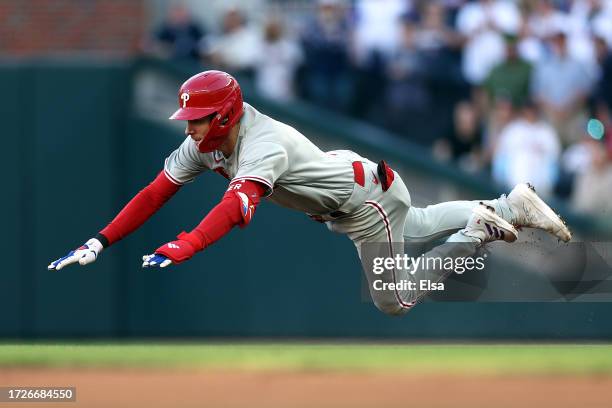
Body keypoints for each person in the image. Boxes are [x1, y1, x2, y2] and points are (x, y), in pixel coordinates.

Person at [48, 71, 571, 316]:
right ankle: (508, 206)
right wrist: (101, 240)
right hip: (351, 185)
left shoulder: (261, 146)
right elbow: (155, 191)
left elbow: (233, 208)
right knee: (417, 222)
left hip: (362, 202)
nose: (188, 127)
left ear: (224, 114)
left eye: (197, 118)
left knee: (395, 299)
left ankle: (481, 229)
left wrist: (186, 244)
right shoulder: (206, 142)